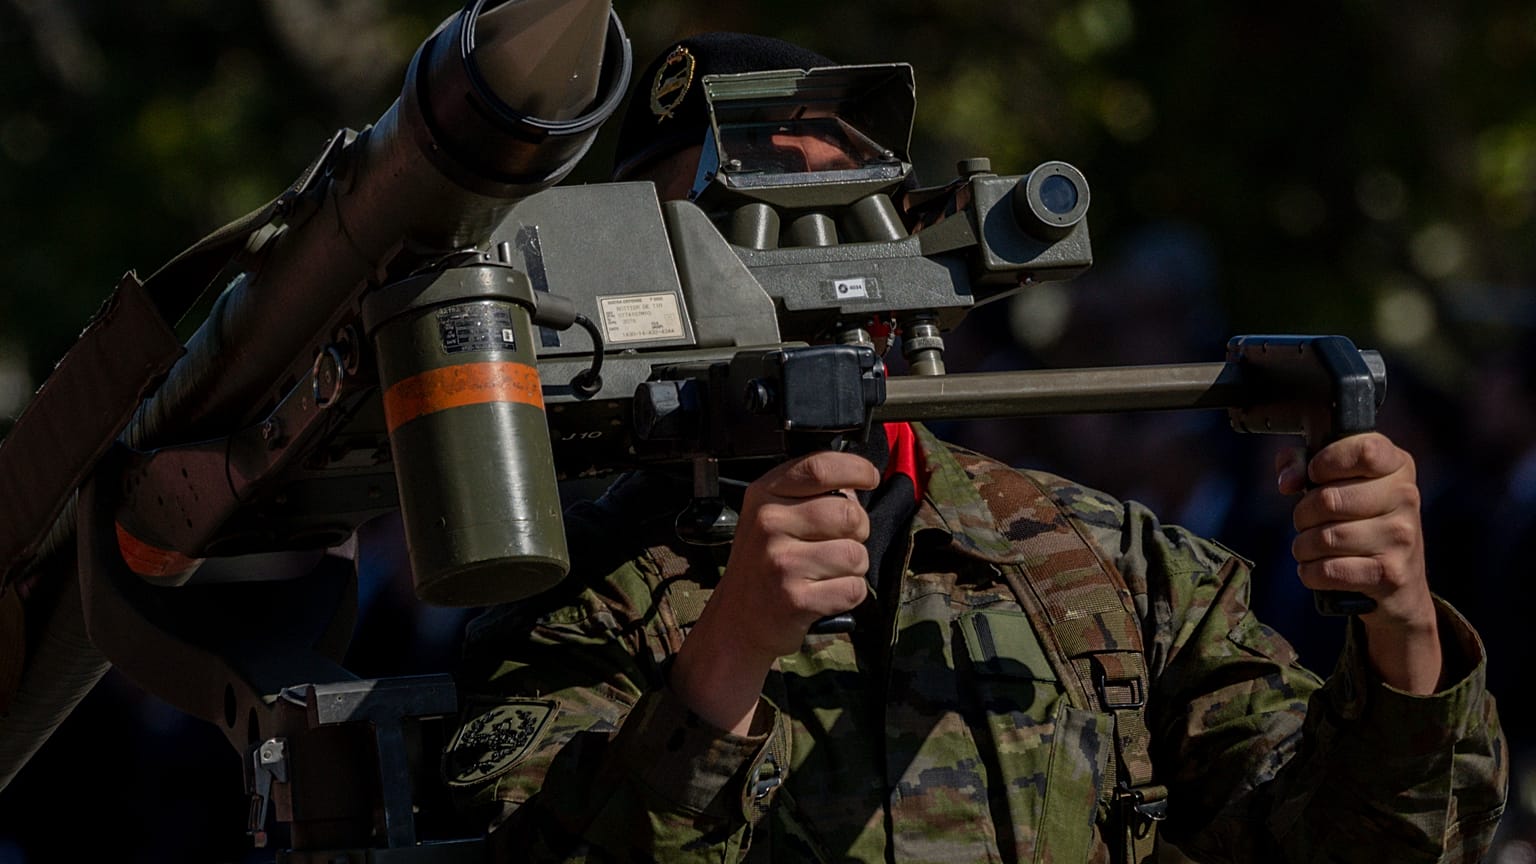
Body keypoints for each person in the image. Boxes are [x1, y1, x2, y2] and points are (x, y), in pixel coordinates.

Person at [442, 32, 1508, 862]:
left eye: (842, 198)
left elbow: (1370, 845)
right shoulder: (574, 599)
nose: (805, 252)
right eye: (733, 213)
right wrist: (726, 658)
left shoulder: (1104, 566)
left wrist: (1402, 632)